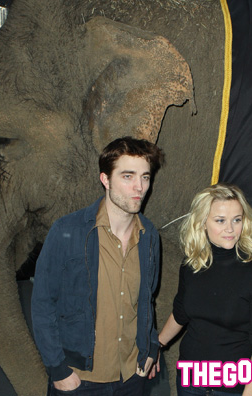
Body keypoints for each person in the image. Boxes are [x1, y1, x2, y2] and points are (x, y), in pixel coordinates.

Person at [31, 137, 164, 396]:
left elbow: (147, 300)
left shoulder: (149, 235)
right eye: (128, 176)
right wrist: (58, 370)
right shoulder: (67, 230)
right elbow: (42, 304)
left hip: (131, 377)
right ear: (105, 179)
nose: (139, 187)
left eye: (145, 177)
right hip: (80, 379)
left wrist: (150, 346)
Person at [154, 183, 252, 396]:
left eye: (237, 220)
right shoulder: (191, 266)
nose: (230, 229)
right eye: (220, 220)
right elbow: (181, 312)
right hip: (190, 382)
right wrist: (157, 345)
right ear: (202, 223)